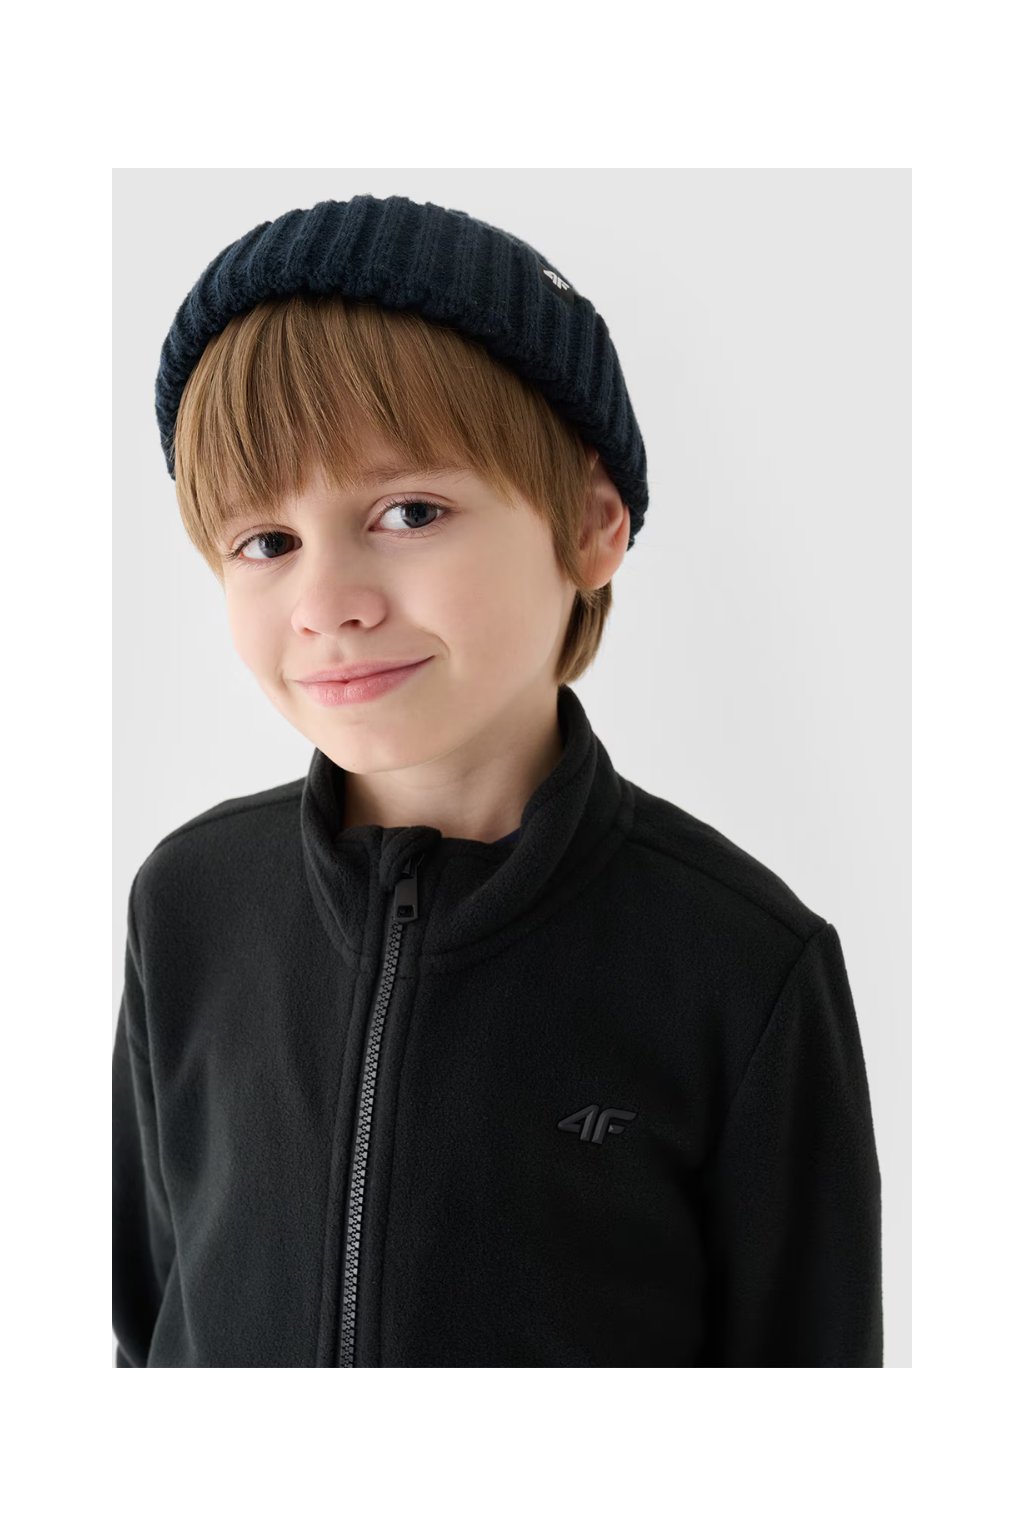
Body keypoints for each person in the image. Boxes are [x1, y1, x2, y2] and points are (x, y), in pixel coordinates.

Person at [113, 192, 883, 1367]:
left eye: (408, 511)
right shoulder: (189, 904)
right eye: (265, 542)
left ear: (592, 525)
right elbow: (149, 1327)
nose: (326, 604)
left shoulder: (742, 966)